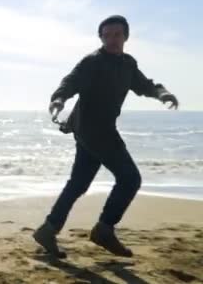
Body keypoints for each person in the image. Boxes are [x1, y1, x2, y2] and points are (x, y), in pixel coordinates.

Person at [33, 15, 179, 258]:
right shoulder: (92, 62)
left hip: (92, 131)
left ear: (126, 37)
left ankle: (48, 229)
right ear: (101, 38)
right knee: (130, 179)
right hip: (94, 130)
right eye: (107, 35)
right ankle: (104, 229)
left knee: (78, 184)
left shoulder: (128, 64)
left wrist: (162, 93)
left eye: (117, 34)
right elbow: (70, 81)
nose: (112, 39)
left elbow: (144, 85)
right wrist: (58, 99)